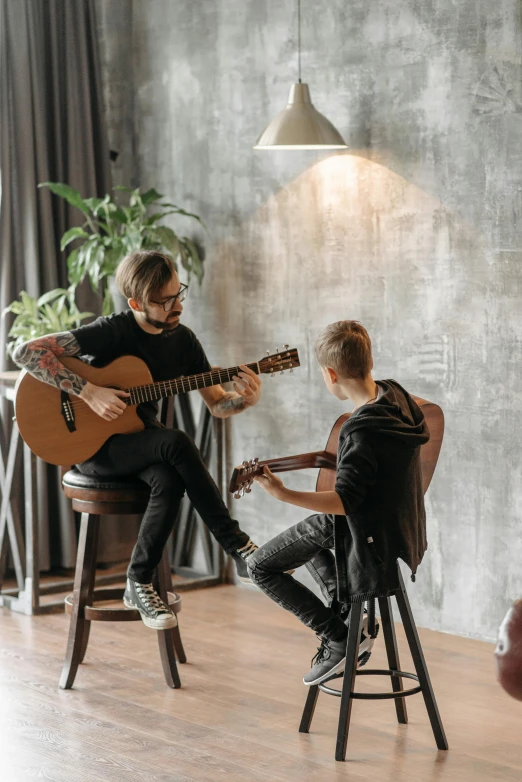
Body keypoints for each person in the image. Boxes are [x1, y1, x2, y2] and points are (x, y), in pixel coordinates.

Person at [13, 250, 262, 631]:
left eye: (180, 293)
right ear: (136, 303)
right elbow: (26, 351)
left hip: (140, 443)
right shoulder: (113, 330)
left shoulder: (184, 343)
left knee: (168, 476)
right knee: (175, 442)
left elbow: (217, 406)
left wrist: (244, 399)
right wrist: (90, 392)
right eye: (165, 300)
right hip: (95, 450)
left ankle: (138, 581)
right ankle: (238, 546)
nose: (177, 305)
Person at [248, 320, 430, 685]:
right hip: (399, 529)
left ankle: (338, 637)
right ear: (370, 359)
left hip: (365, 534)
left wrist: (283, 493)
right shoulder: (398, 398)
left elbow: (345, 501)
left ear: (330, 374)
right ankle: (349, 616)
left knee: (260, 567)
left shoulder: (359, 429)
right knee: (307, 542)